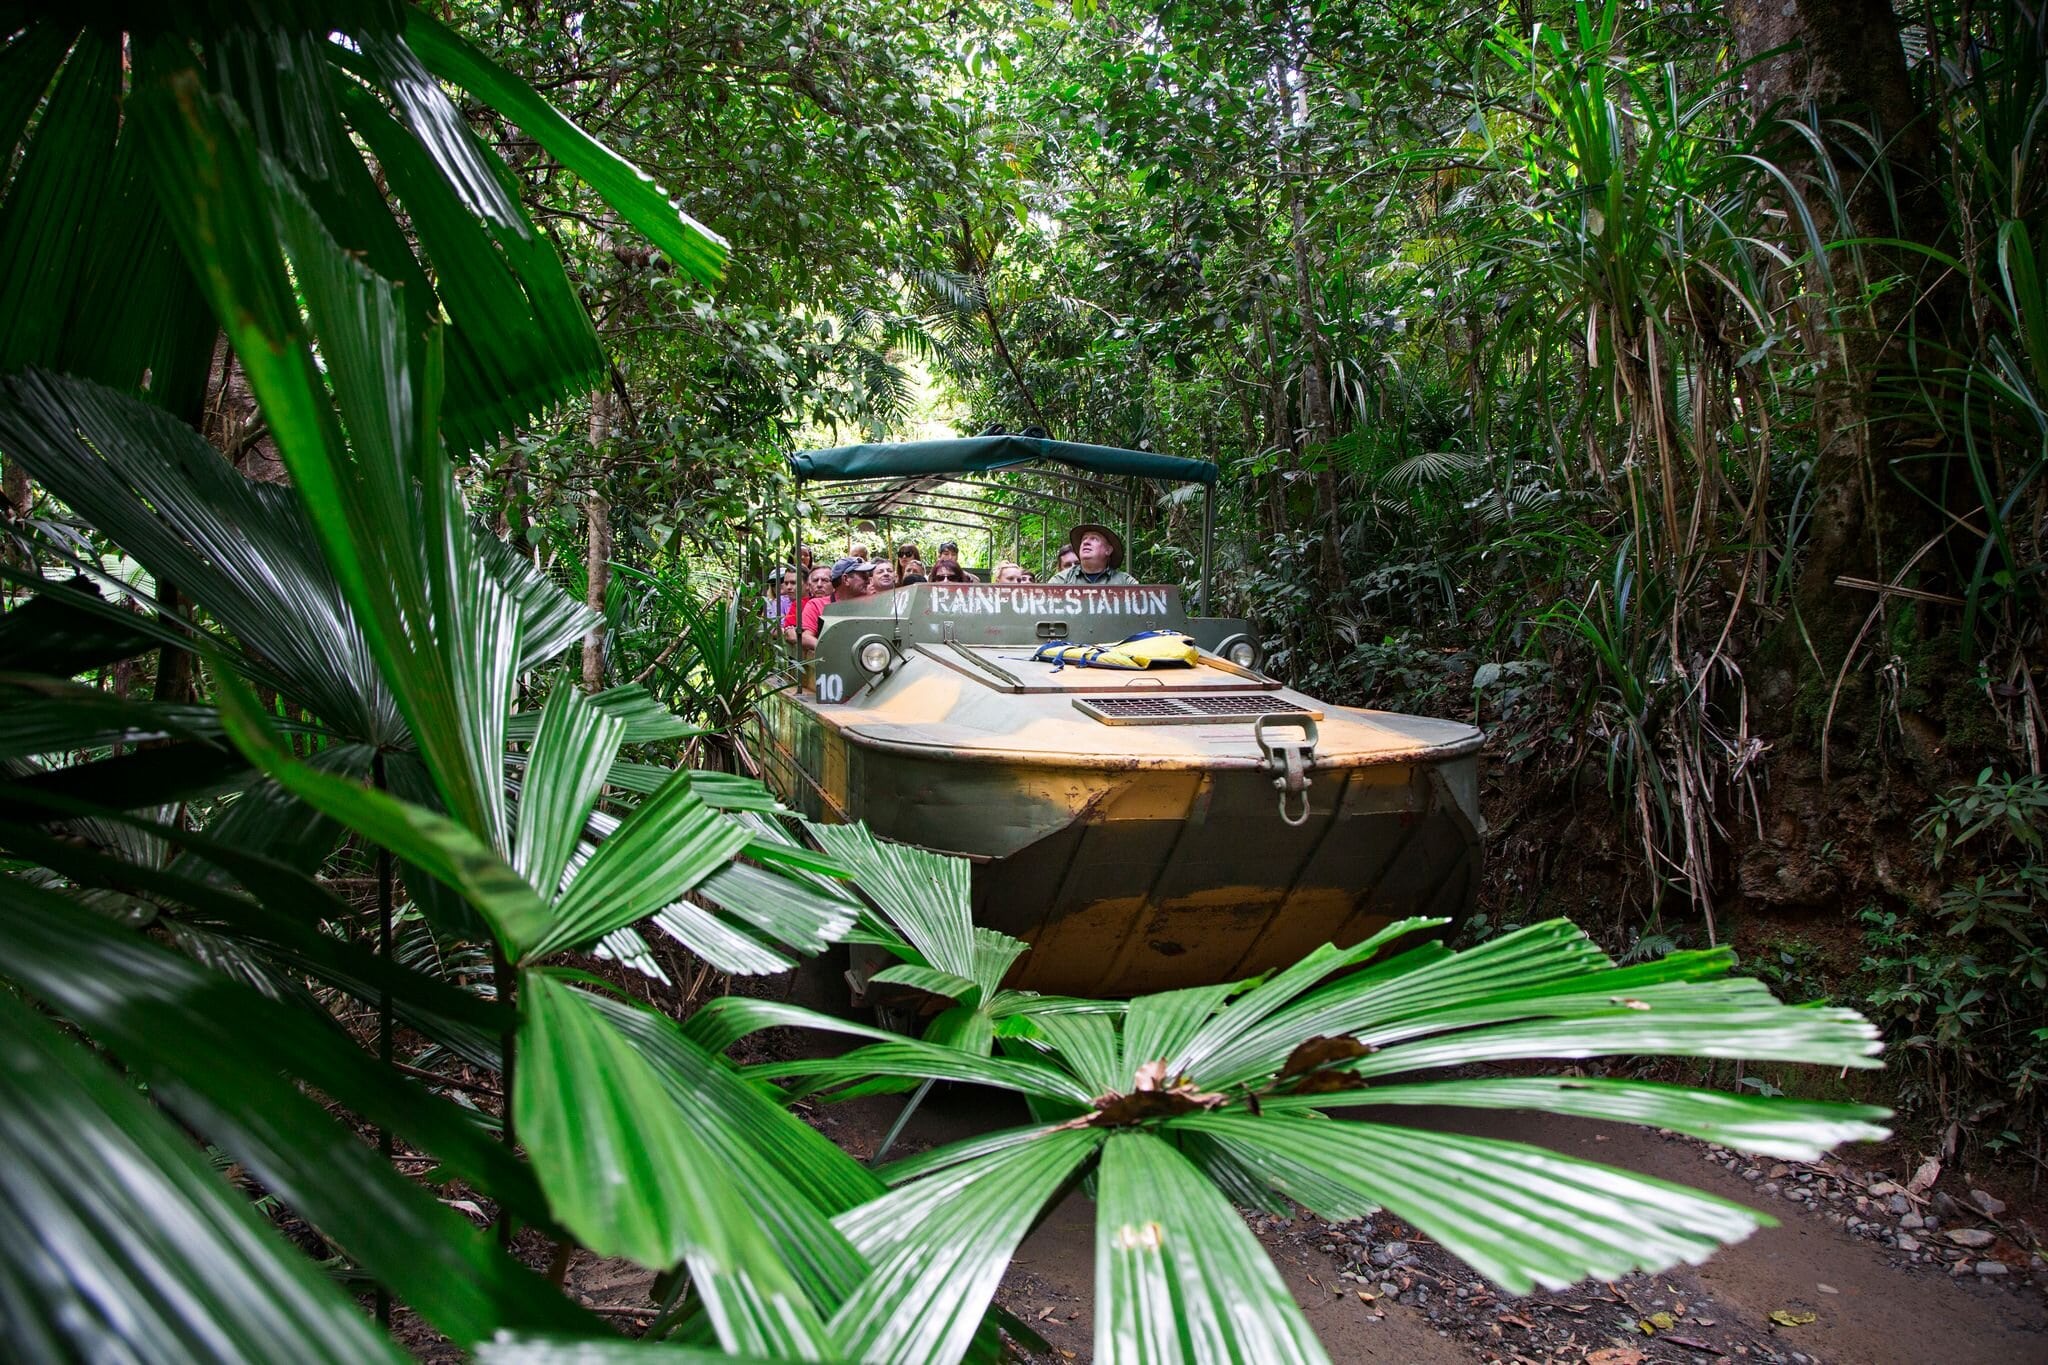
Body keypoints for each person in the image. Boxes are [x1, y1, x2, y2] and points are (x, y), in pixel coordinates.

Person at [786, 557, 873, 652]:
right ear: (846, 579)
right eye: (863, 577)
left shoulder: (871, 603)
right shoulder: (816, 605)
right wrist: (832, 650)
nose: (868, 581)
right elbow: (806, 637)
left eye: (824, 580)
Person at [1047, 524, 1137, 586]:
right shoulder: (1061, 580)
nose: (1086, 542)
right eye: (1084, 539)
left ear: (1108, 550)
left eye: (1094, 539)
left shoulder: (1125, 582)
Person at [782, 563, 833, 649]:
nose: (819, 585)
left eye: (825, 580)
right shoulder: (799, 605)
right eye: (815, 580)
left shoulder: (843, 602)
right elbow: (790, 633)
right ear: (809, 585)